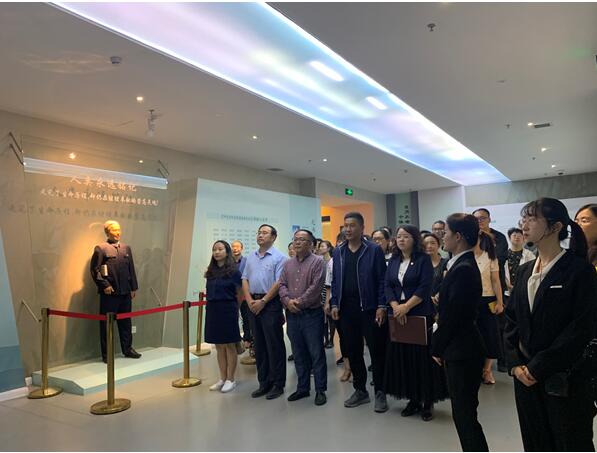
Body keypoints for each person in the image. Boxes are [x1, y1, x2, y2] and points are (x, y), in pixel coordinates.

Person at [504, 197, 597, 451]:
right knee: (535, 441)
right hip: (524, 378)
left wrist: (538, 366)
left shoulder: (579, 270)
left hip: (564, 378)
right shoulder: (525, 270)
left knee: (570, 442)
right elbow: (512, 320)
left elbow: (581, 328)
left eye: (532, 218)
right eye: (523, 218)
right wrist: (515, 364)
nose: (524, 224)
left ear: (556, 227)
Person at [431, 213, 489, 452]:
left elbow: (455, 317)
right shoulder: (458, 264)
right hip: (459, 347)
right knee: (463, 414)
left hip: (462, 350)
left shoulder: (463, 268)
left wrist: (437, 346)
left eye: (445, 232)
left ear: (458, 237)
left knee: (465, 416)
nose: (441, 236)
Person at [384, 225, 448, 421]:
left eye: (405, 236)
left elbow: (424, 287)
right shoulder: (393, 260)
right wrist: (396, 307)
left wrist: (406, 307)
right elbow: (387, 285)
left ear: (414, 239)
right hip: (398, 314)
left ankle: (427, 401)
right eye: (398, 237)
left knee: (422, 359)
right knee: (404, 358)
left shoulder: (423, 260)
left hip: (419, 312)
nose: (401, 240)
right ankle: (412, 399)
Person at [330, 212, 388, 412]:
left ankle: (380, 392)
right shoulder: (338, 251)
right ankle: (360, 390)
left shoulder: (373, 250)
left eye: (352, 225)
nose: (348, 229)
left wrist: (382, 305)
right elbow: (335, 280)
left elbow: (382, 279)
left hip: (370, 309)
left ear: (362, 228)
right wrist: (334, 303)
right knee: (353, 351)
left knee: (377, 351)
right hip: (346, 309)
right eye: (345, 225)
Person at [279, 229, 327, 406]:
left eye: (302, 239)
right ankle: (303, 388)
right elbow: (282, 285)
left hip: (311, 314)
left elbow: (316, 288)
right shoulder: (287, 264)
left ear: (311, 244)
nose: (297, 242)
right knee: (298, 353)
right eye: (295, 239)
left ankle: (320, 390)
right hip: (292, 315)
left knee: (316, 353)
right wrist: (287, 301)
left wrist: (298, 302)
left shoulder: (318, 262)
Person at [242, 224, 287, 400]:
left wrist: (263, 301)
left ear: (273, 237)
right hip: (253, 303)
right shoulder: (251, 257)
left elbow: (278, 282)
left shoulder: (279, 257)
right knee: (259, 344)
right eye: (259, 232)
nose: (260, 235)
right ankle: (264, 382)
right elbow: (244, 279)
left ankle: (277, 383)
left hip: (270, 304)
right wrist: (249, 301)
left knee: (274, 344)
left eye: (265, 233)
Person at [90, 220, 141, 363]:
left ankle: (127, 349)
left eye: (119, 229)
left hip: (125, 293)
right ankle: (107, 354)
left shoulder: (126, 248)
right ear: (107, 232)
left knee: (126, 322)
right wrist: (104, 285)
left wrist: (133, 287)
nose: (118, 232)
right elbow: (94, 269)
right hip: (110, 294)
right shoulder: (101, 249)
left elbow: (131, 269)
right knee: (107, 324)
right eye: (114, 230)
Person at [204, 241, 243, 393]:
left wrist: (235, 309)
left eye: (220, 249)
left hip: (228, 309)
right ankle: (222, 378)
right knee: (219, 346)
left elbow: (240, 293)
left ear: (227, 252)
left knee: (229, 345)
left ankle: (231, 379)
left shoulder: (234, 272)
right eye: (214, 249)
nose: (217, 252)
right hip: (213, 310)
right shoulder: (211, 272)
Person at [474, 231, 504, 384]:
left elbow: (496, 280)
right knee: (473, 336)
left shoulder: (490, 256)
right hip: (469, 301)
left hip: (487, 300)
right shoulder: (463, 256)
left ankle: (487, 370)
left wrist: (500, 302)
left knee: (490, 336)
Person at [232, 240, 255, 366]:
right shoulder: (228, 262)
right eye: (233, 247)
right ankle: (236, 340)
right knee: (233, 318)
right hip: (231, 295)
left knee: (246, 318)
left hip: (245, 295)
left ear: (241, 248)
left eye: (237, 247)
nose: (235, 249)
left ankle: (247, 339)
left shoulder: (246, 261)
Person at [422, 233, 448, 307]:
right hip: (423, 303)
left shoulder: (446, 263)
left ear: (438, 245)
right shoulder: (419, 265)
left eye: (433, 243)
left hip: (441, 302)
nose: (429, 246)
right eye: (426, 243)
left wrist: (438, 295)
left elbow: (446, 283)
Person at [318, 240, 335, 349]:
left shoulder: (332, 261)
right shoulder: (319, 261)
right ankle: (326, 339)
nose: (320, 248)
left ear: (329, 248)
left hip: (330, 290)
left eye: (323, 246)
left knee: (330, 317)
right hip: (321, 290)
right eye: (320, 246)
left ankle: (331, 339)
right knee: (323, 318)